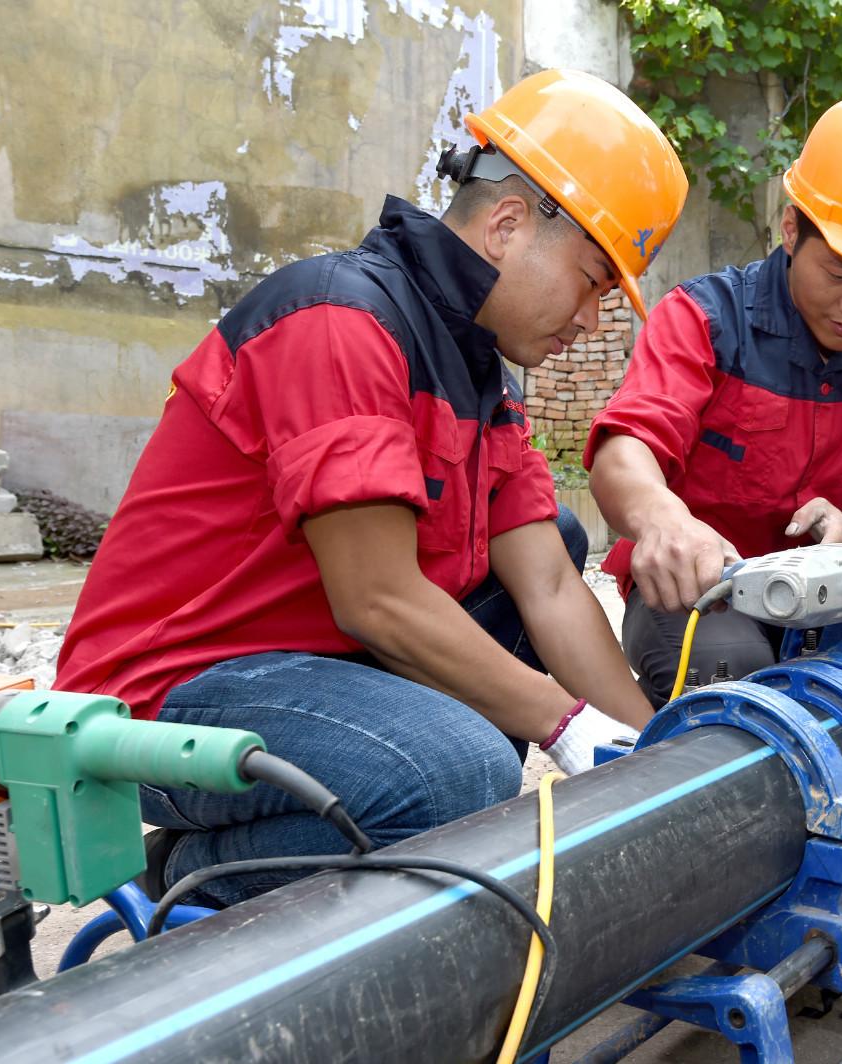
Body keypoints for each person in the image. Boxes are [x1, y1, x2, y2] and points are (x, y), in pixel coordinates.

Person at [54, 69, 688, 906]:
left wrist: (655, 758)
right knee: (453, 769)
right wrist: (565, 723)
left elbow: (550, 584)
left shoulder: (477, 375)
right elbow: (378, 601)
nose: (591, 320)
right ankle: (186, 880)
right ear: (506, 224)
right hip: (172, 692)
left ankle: (373, 837)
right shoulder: (341, 321)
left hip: (312, 674)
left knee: (541, 578)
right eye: (594, 281)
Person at [585, 92, 842, 706]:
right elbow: (626, 448)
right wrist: (664, 521)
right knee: (735, 673)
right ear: (792, 229)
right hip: (713, 582)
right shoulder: (706, 318)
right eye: (840, 273)